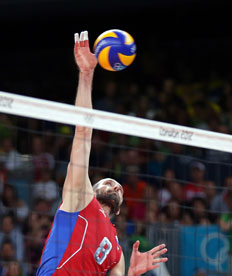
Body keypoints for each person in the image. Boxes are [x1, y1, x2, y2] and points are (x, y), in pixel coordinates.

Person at [37, 31, 168, 276]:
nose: (115, 185)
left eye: (117, 186)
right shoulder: (80, 200)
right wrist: (86, 74)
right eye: (108, 182)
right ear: (91, 190)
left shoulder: (117, 252)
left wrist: (130, 273)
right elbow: (83, 132)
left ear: (119, 210)